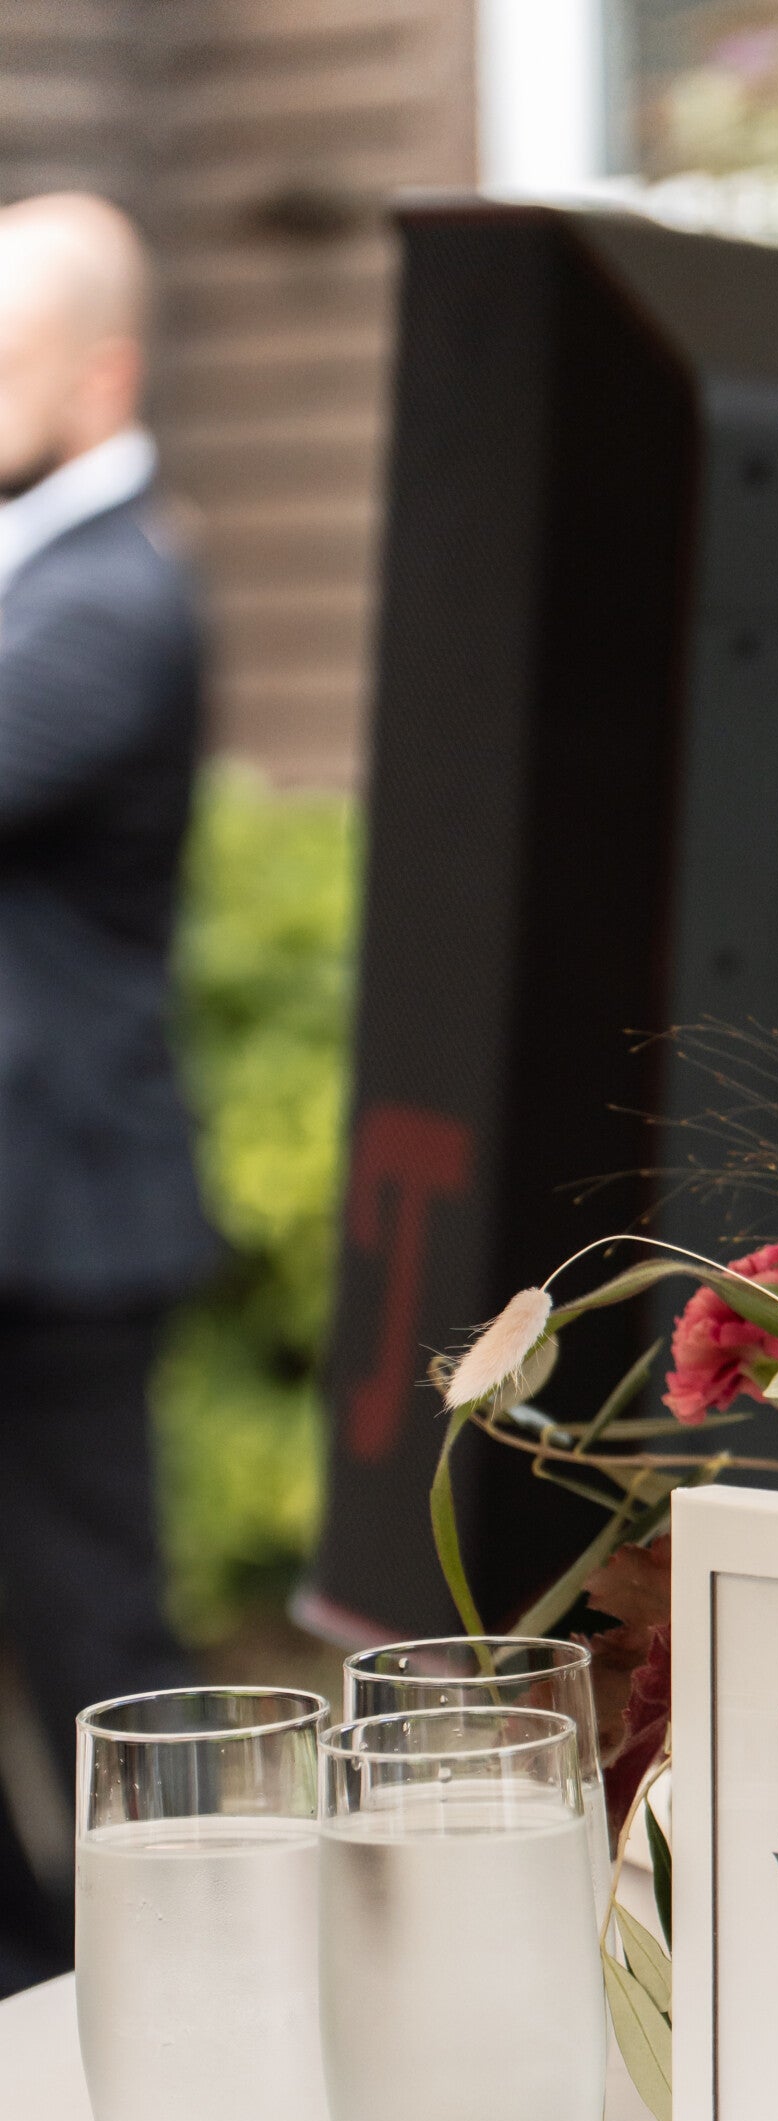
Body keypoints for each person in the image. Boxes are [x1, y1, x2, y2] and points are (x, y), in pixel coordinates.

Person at [0, 193, 218, 1995]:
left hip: (55, 1209)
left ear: (99, 375)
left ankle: (189, 1990)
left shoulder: (113, 594)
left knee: (94, 1641)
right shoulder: (43, 568)